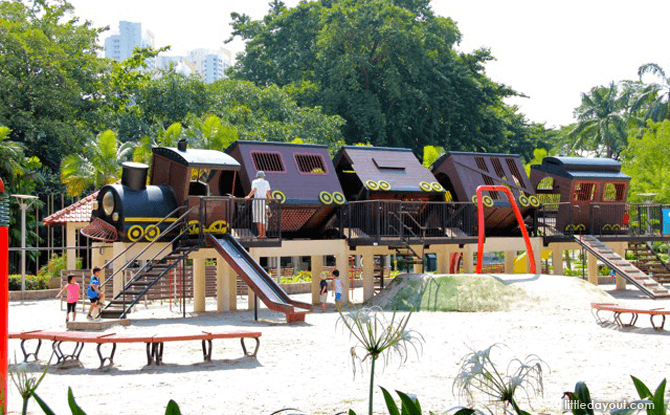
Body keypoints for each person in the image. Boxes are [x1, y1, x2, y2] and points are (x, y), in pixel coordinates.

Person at [245, 171, 272, 238]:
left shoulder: (254, 182)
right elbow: (268, 192)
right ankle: (264, 235)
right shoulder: (266, 182)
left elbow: (254, 189)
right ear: (263, 176)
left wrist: (248, 196)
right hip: (263, 201)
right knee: (263, 218)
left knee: (258, 218)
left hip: (257, 201)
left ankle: (260, 235)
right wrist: (270, 198)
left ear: (257, 176)